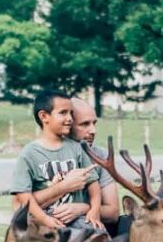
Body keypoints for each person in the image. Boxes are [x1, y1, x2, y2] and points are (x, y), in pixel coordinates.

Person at [10, 89, 103, 232]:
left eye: (71, 113)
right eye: (63, 113)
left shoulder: (76, 148)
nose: (70, 118)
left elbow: (93, 184)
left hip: (77, 218)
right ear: (44, 116)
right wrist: (45, 219)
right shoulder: (29, 154)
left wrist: (94, 211)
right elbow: (23, 196)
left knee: (101, 239)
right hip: (44, 219)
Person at [66, 98, 121, 229]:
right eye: (84, 124)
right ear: (67, 125)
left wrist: (83, 208)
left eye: (94, 123)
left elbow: (113, 213)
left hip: (90, 229)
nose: (93, 131)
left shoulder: (101, 155)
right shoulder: (45, 153)